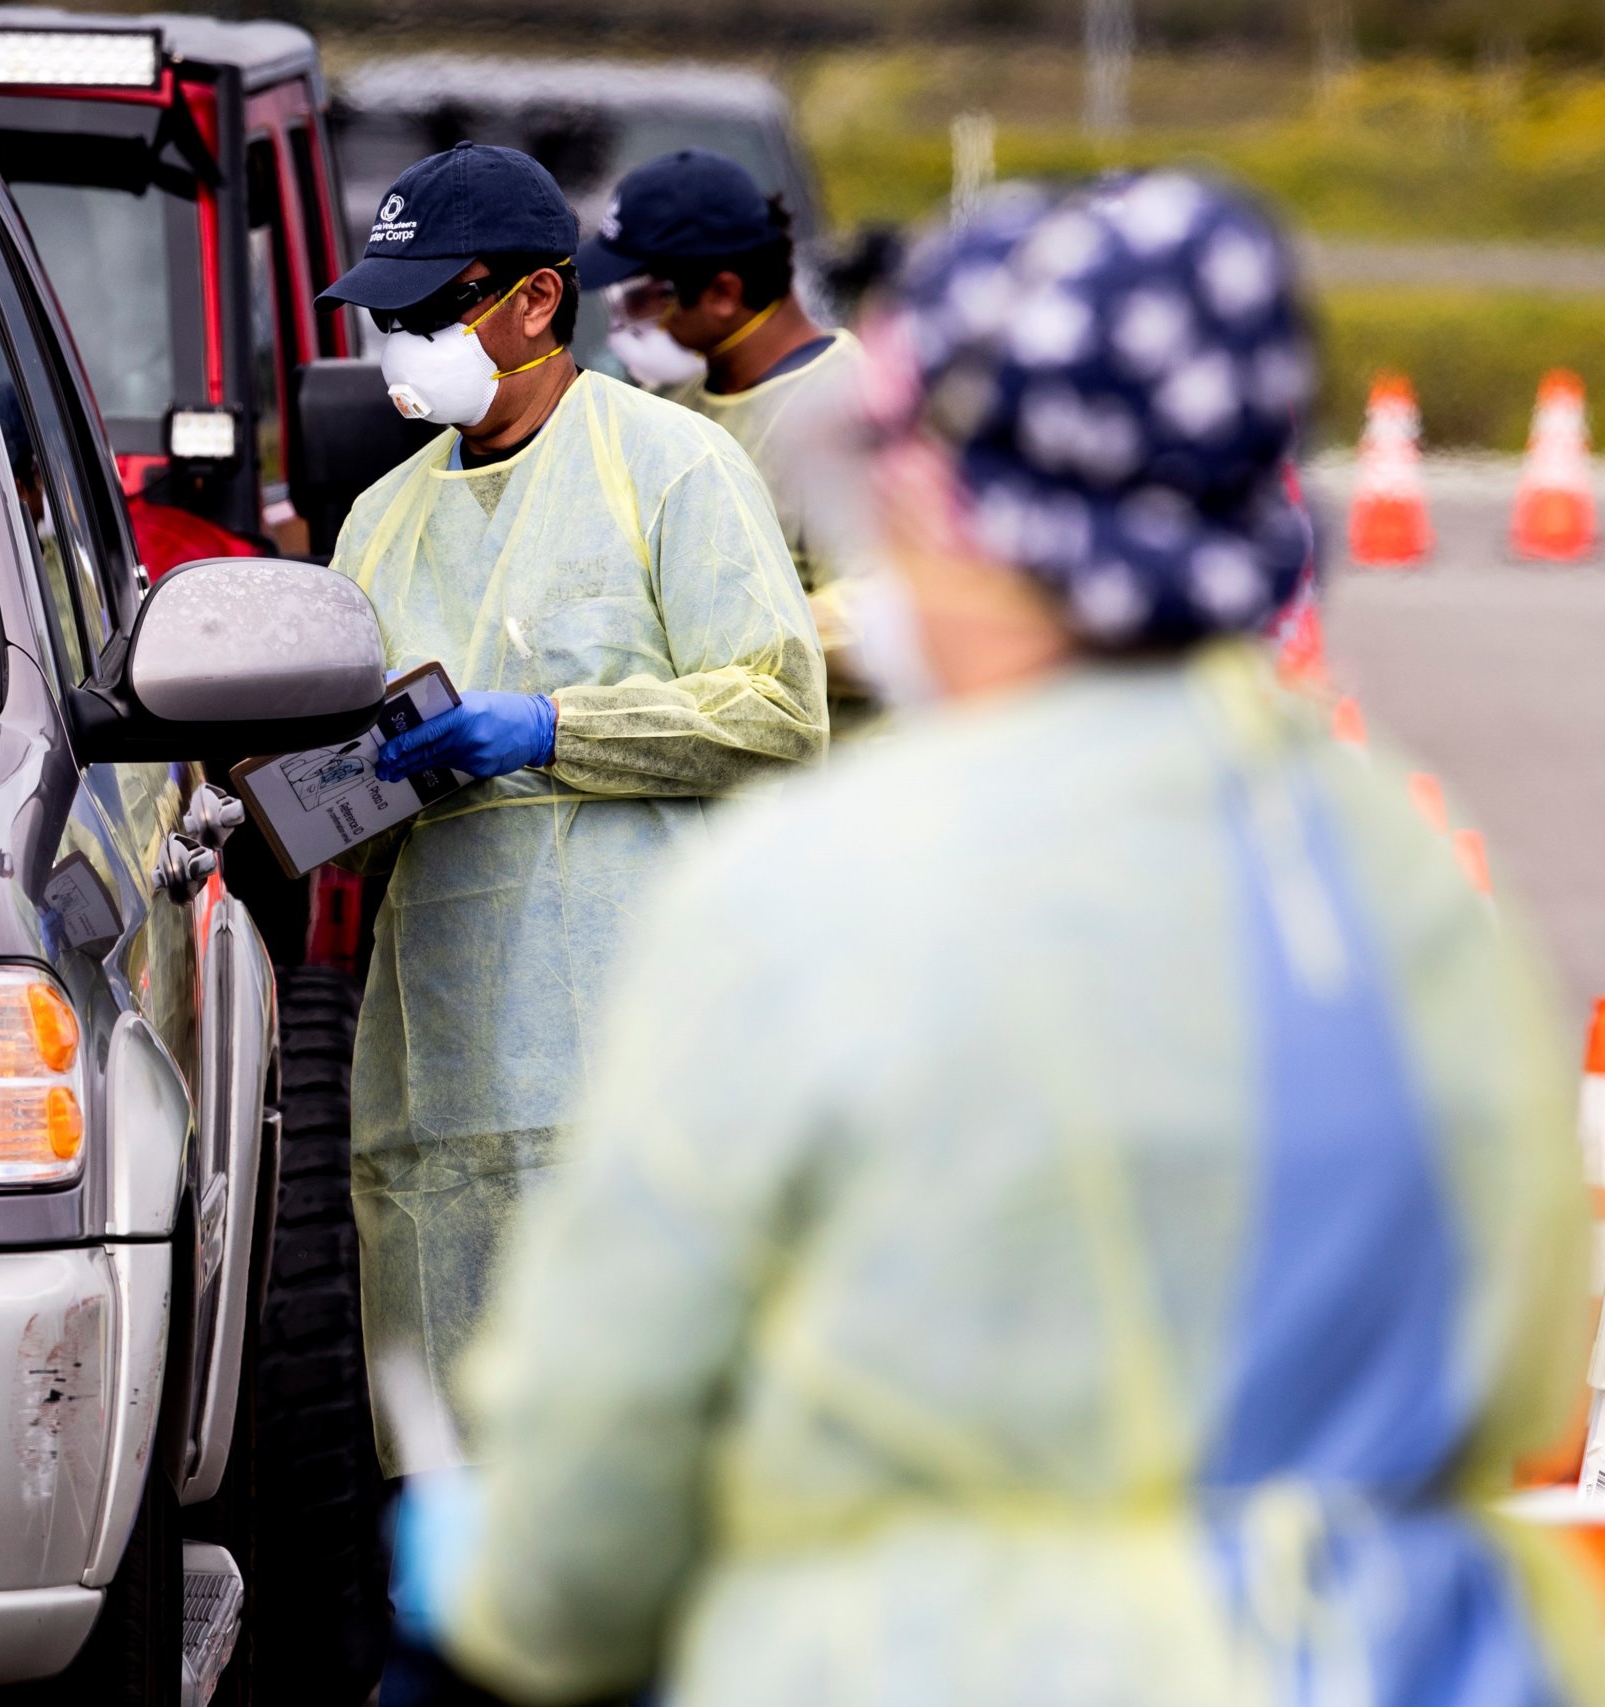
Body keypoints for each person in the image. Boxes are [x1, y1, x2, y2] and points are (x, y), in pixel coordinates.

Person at [403, 172, 1605, 1706]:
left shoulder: (810, 895)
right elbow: (1514, 1372)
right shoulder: (1414, 873)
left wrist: (494, 1574)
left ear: (959, 506)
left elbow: (590, 1504)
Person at [316, 135, 824, 1502]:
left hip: (641, 1070)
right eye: (387, 313)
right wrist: (327, 789)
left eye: (430, 309)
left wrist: (552, 726)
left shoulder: (671, 469)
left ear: (536, 302)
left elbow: (780, 707)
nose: (400, 342)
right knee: (460, 1467)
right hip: (449, 1077)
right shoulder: (376, 524)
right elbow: (339, 817)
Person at [579, 150, 872, 714]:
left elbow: (880, 612)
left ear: (722, 293)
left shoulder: (846, 411)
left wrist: (715, 638)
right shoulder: (683, 400)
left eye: (641, 298)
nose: (625, 322)